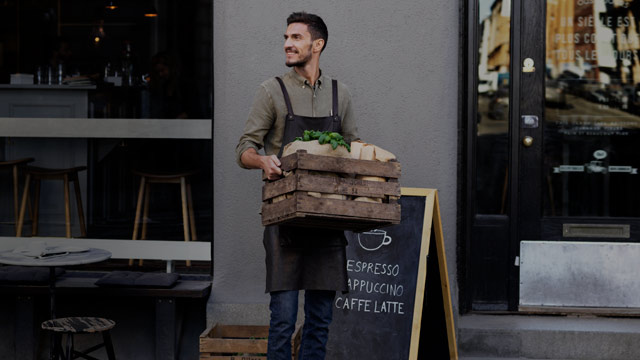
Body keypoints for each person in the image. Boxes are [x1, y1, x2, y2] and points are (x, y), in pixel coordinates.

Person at [235, 12, 358, 360]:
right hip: (285, 223)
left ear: (317, 45)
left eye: (296, 38)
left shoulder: (340, 94)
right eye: (286, 37)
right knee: (283, 321)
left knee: (320, 321)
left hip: (327, 223)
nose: (288, 44)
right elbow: (243, 149)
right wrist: (262, 161)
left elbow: (354, 147)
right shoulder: (271, 91)